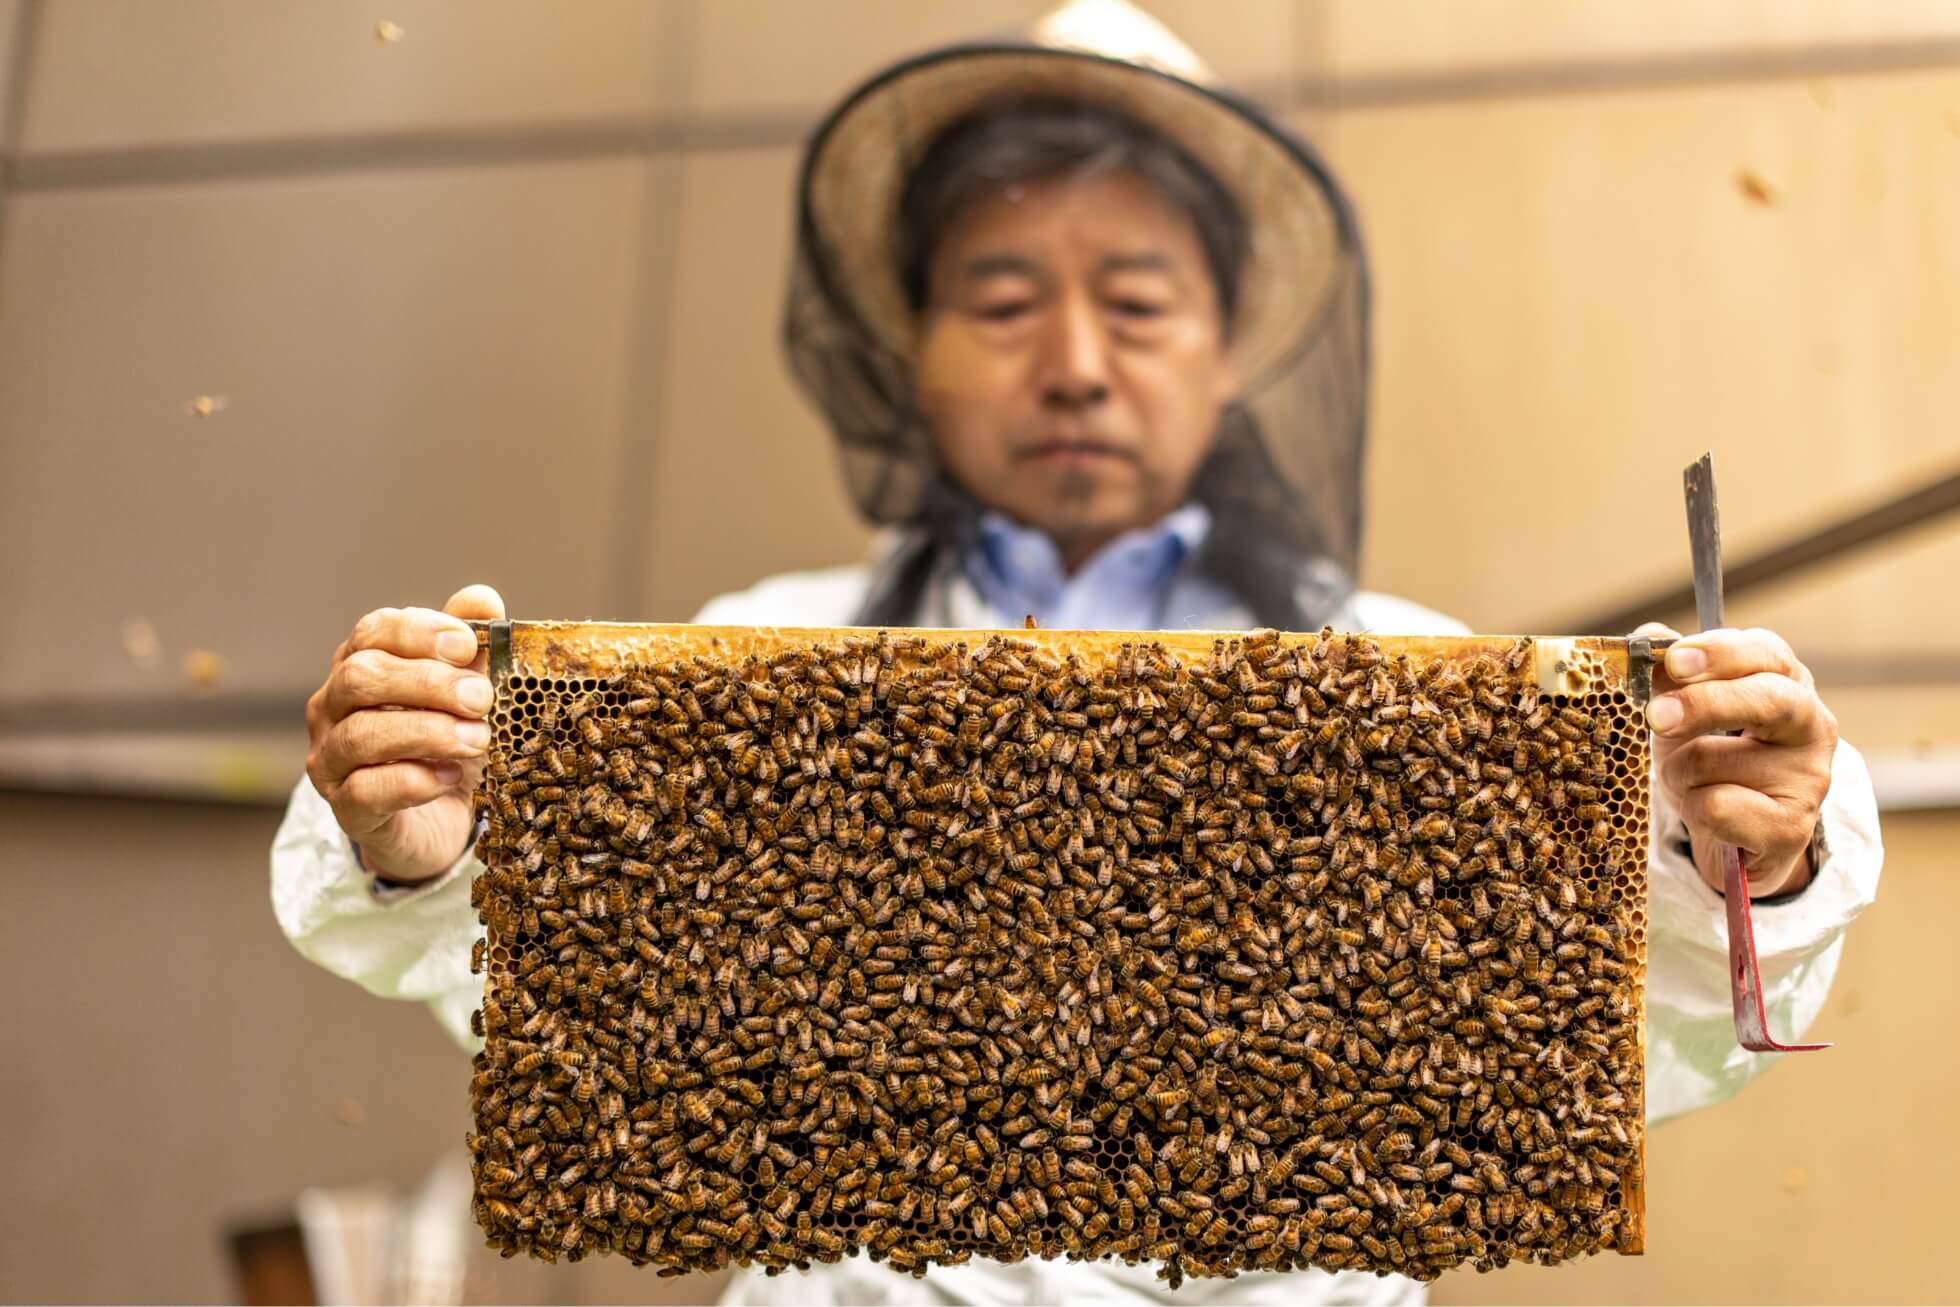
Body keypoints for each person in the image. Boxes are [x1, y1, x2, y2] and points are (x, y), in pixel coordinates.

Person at [271, 3, 1882, 1303]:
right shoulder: (758, 657)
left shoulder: (1415, 680)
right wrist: (446, 843)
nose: (1076, 364)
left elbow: (1642, 1033)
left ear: (1226, 349)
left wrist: (1733, 852)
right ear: (914, 348)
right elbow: (589, 1025)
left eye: (1138, 300)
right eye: (1001, 300)